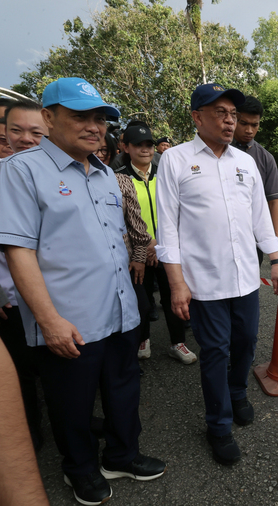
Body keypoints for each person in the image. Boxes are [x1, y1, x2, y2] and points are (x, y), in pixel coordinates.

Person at [0, 77, 165, 505]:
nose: (93, 126)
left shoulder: (105, 175)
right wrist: (49, 320)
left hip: (119, 312)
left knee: (124, 389)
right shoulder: (20, 171)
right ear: (48, 118)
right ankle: (80, 470)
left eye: (100, 117)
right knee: (72, 403)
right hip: (69, 321)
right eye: (79, 116)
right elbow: (18, 251)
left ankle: (122, 455)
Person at [157, 83, 278, 465]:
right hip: (203, 281)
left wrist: (275, 261)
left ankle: (237, 392)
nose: (230, 121)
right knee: (214, 351)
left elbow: (260, 218)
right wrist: (177, 283)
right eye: (221, 113)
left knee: (246, 341)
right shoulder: (176, 160)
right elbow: (167, 226)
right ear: (197, 117)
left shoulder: (245, 162)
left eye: (233, 114)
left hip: (246, 276)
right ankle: (218, 426)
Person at [0, 99, 48, 451]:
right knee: (19, 371)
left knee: (49, 364)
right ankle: (28, 437)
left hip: (51, 292)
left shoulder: (51, 171)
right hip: (8, 295)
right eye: (14, 131)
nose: (24, 140)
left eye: (35, 132)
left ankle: (56, 422)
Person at [115, 122, 196, 364]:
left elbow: (178, 212)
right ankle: (143, 338)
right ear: (125, 147)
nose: (145, 149)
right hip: (137, 253)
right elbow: (120, 220)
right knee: (142, 302)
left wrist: (161, 242)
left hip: (167, 248)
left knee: (174, 295)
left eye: (148, 144)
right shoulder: (118, 179)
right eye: (137, 145)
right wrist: (145, 246)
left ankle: (177, 342)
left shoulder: (166, 175)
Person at [0, 251, 50, 506]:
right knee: (25, 371)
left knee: (41, 365)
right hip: (9, 297)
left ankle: (37, 428)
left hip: (37, 292)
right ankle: (32, 431)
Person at [232, 96, 278, 264]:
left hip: (252, 240)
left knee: (249, 284)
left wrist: (277, 240)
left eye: (255, 125)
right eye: (243, 123)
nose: (249, 130)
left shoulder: (265, 158)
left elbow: (274, 202)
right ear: (234, 118)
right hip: (219, 235)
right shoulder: (219, 149)